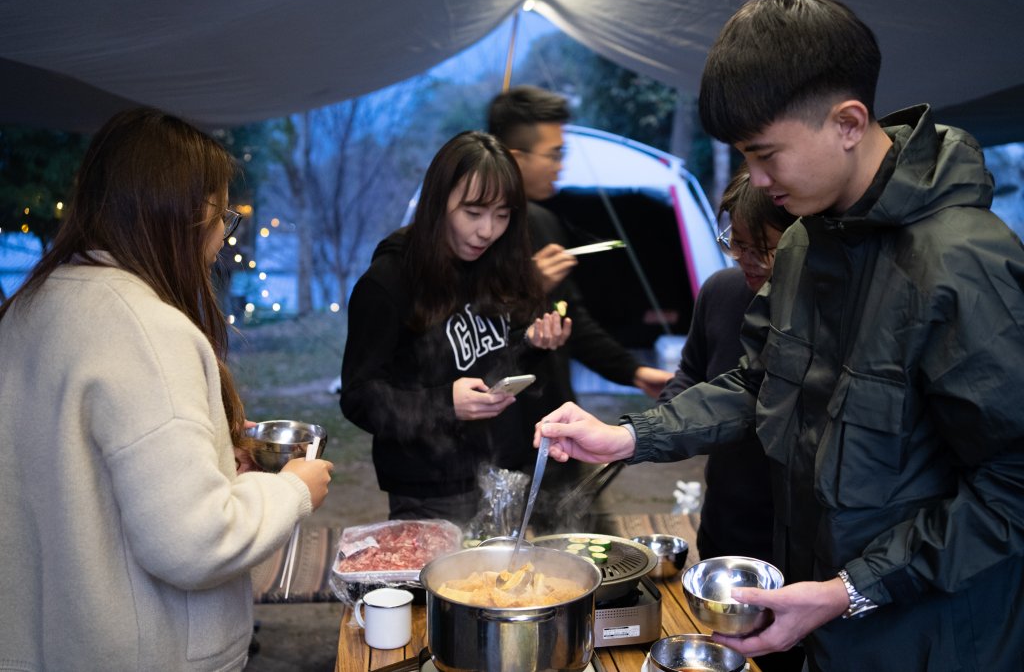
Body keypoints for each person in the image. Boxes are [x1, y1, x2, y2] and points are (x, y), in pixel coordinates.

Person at [533, 0, 1024, 671]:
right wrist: (626, 436)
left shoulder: (961, 265)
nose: (756, 181)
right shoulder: (804, 246)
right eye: (743, 156)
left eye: (766, 155)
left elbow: (1012, 484)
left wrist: (853, 589)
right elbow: (758, 380)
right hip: (820, 628)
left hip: (934, 641)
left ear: (849, 122)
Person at [0, 108, 334, 671]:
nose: (222, 240)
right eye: (223, 216)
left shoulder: (31, 306)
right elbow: (195, 541)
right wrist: (293, 489)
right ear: (186, 214)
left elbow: (79, 471)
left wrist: (208, 457)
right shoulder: (147, 330)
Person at [340, 131, 571, 525]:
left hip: (504, 474)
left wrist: (531, 342)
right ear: (438, 201)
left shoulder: (497, 265)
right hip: (431, 491)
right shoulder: (389, 281)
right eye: (473, 212)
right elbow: (359, 398)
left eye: (503, 215)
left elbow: (492, 356)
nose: (487, 231)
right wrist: (445, 403)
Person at [488, 86, 673, 530]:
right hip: (494, 436)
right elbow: (461, 332)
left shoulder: (544, 221)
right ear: (515, 157)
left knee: (584, 552)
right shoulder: (475, 235)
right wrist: (523, 288)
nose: (560, 164)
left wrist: (634, 372)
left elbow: (572, 320)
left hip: (555, 427)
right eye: (553, 154)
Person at [659, 166, 801, 672]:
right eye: (733, 242)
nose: (744, 259)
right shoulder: (721, 291)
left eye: (761, 247)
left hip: (795, 544)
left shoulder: (816, 310)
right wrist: (647, 426)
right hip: (726, 522)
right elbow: (693, 376)